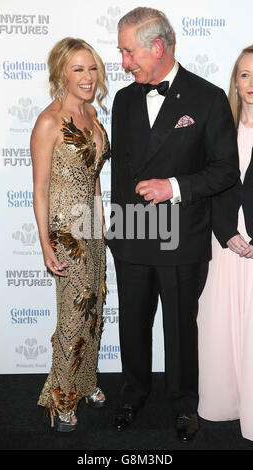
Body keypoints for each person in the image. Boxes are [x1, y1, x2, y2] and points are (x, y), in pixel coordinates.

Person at [107, 7, 240, 442]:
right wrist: (116, 231)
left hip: (182, 236)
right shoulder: (124, 99)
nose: (124, 62)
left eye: (129, 52)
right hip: (132, 234)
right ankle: (132, 394)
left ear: (157, 47)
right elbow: (122, 176)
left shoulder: (206, 98)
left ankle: (185, 402)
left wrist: (174, 186)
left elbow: (224, 171)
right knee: (132, 323)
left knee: (181, 328)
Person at [30, 37, 110, 432]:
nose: (87, 76)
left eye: (92, 68)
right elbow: (41, 187)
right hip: (67, 236)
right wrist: (45, 243)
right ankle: (61, 398)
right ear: (61, 72)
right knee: (74, 317)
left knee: (94, 312)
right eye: (78, 69)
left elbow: (93, 176)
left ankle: (87, 382)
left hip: (92, 230)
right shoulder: (49, 121)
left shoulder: (93, 113)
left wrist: (100, 217)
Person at [198, 45, 253, 441]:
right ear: (235, 82)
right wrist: (227, 234)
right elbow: (213, 187)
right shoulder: (223, 129)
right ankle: (227, 402)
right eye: (245, 74)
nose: (252, 83)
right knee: (220, 327)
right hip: (226, 246)